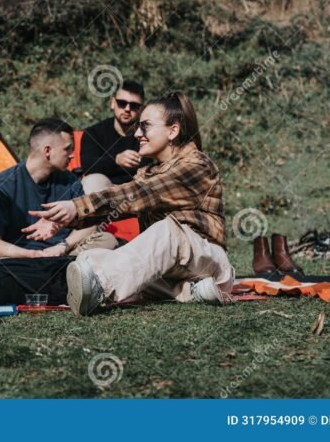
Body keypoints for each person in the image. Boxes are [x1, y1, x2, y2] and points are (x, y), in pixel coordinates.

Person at [27, 93, 234, 316]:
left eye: (145, 127)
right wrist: (66, 220)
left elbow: (137, 195)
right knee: (89, 258)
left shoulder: (197, 166)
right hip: (173, 269)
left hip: (207, 260)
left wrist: (76, 207)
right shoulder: (148, 172)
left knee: (168, 232)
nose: (137, 134)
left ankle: (100, 288)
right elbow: (118, 207)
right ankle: (190, 291)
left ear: (172, 131)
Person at [0, 118, 116, 305]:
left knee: (108, 240)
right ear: (47, 151)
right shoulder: (3, 184)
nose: (71, 155)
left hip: (64, 256)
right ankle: (73, 284)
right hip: (21, 259)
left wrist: (63, 245)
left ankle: (70, 280)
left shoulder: (70, 181)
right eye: (67, 149)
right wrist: (30, 255)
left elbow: (89, 226)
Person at [80, 80, 147, 193]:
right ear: (112, 103)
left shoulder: (148, 134)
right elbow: (88, 166)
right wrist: (116, 160)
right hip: (106, 190)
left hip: (139, 189)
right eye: (122, 103)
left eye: (134, 106)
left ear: (141, 109)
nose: (127, 109)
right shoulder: (94, 133)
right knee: (92, 181)